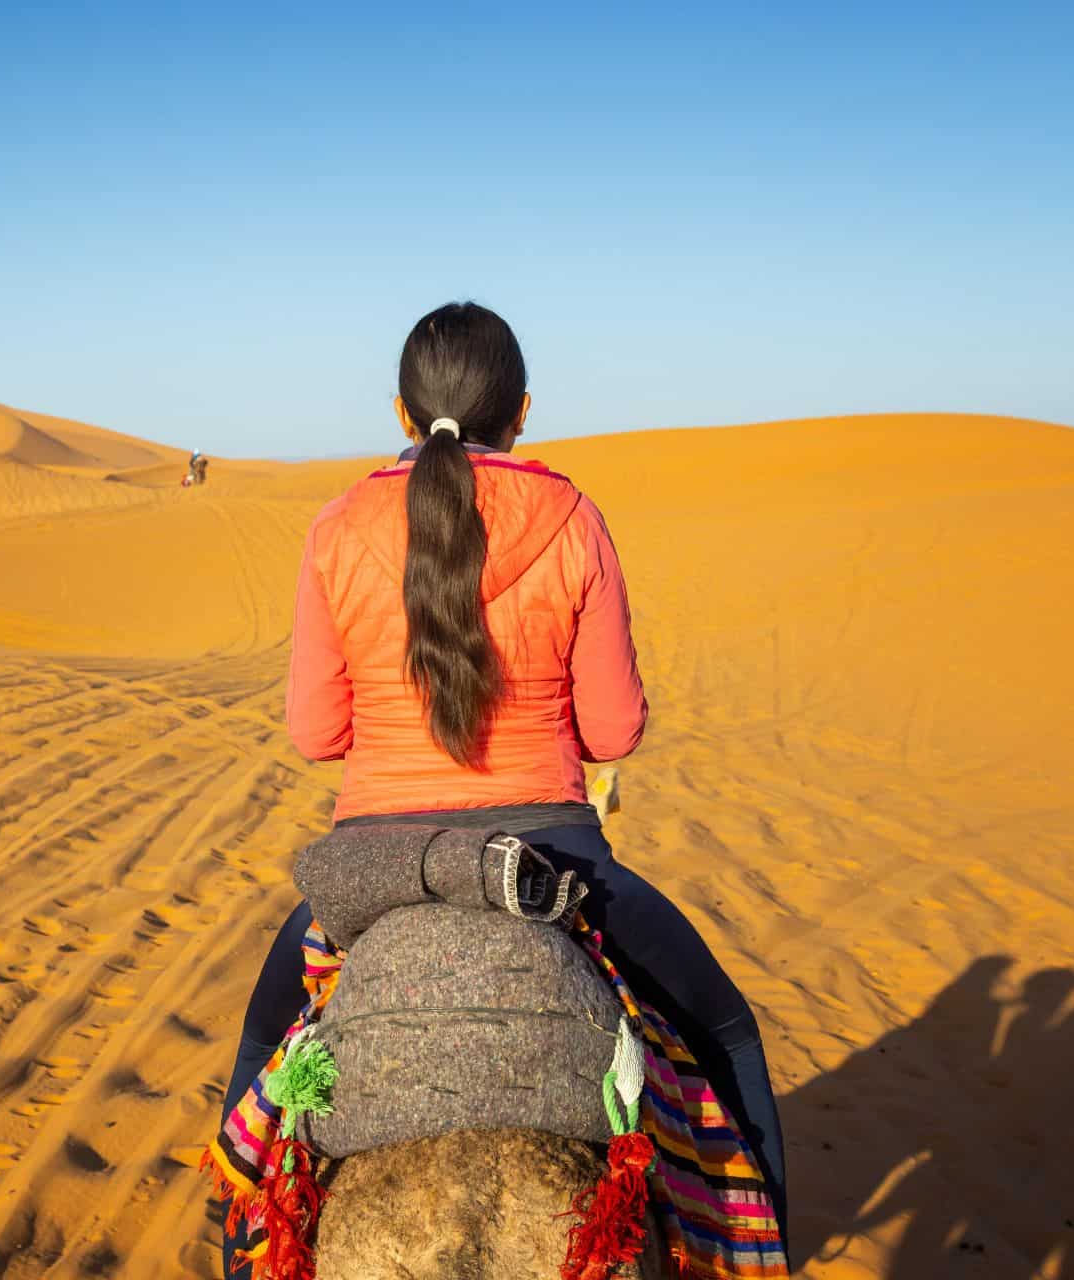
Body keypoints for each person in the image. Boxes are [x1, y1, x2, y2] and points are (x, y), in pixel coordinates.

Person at [219, 302, 787, 1272]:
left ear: (401, 412)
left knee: (262, 1062)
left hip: (370, 870)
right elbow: (614, 729)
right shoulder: (572, 517)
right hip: (555, 859)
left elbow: (315, 731)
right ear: (522, 411)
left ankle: (239, 1251)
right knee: (726, 1033)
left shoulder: (333, 527)